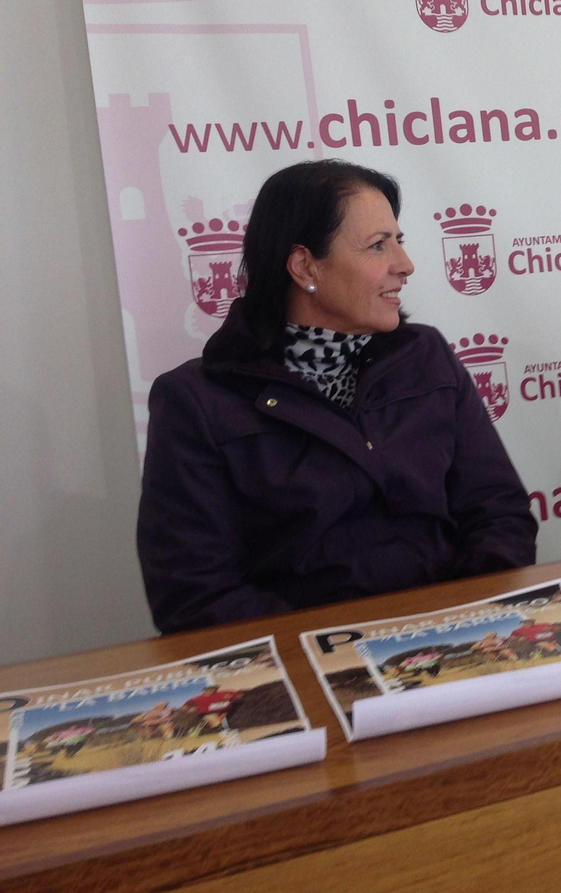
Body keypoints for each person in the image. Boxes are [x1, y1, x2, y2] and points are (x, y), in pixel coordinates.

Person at [138, 161, 538, 634]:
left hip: (459, 636)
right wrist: (338, 646)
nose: (405, 265)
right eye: (378, 245)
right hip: (306, 659)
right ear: (305, 266)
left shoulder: (426, 356)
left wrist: (460, 621)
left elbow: (499, 514)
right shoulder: (195, 401)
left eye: (399, 240)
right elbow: (193, 594)